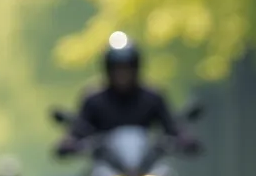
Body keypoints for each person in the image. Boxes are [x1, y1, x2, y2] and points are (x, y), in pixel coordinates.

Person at [55, 32, 199, 156]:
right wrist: (69, 142)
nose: (122, 74)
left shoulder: (152, 97)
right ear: (108, 70)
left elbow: (170, 126)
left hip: (145, 165)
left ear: (136, 68)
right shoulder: (94, 100)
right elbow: (80, 129)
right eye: (117, 69)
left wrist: (183, 138)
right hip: (106, 167)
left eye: (126, 68)